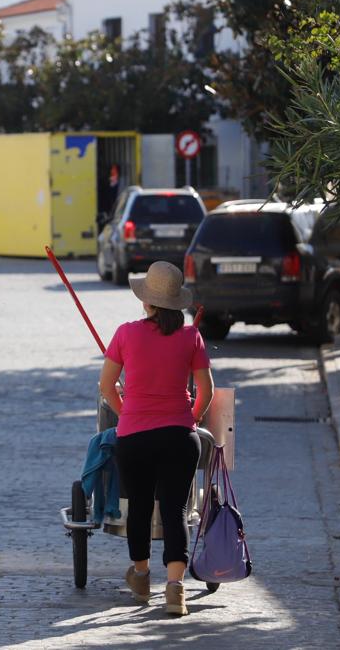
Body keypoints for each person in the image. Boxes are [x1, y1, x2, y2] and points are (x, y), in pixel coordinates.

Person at [99, 260, 214, 616]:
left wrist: (128, 414)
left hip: (134, 438)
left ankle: (142, 577)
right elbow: (205, 391)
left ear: (146, 301)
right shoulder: (190, 336)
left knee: (141, 510)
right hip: (179, 437)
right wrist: (189, 421)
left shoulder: (125, 333)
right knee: (176, 510)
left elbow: (106, 386)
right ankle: (175, 591)